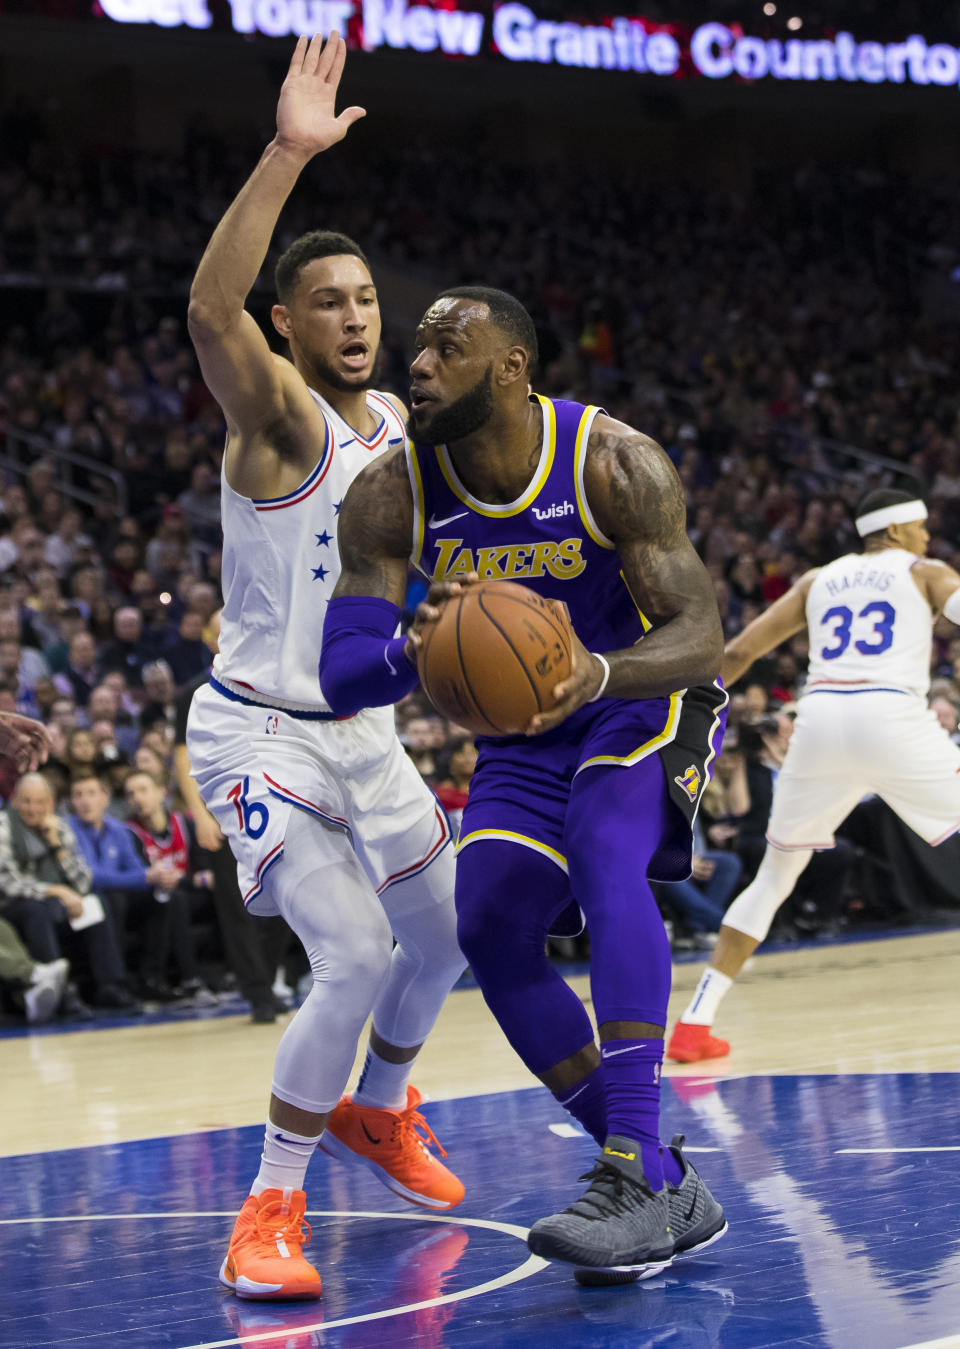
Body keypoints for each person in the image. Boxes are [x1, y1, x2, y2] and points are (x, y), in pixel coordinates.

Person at [320, 284, 728, 1283]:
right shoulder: (390, 492)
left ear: (511, 366)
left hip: (640, 695)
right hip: (523, 727)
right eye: (416, 347)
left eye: (446, 347)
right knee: (491, 920)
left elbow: (700, 632)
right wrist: (414, 647)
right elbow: (342, 676)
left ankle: (630, 1162)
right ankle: (666, 1176)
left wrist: (599, 671)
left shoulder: (610, 459)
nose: (416, 363)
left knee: (602, 845)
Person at [184, 34, 465, 1302]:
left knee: (452, 927)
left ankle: (382, 1106)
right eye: (329, 303)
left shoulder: (399, 421)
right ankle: (267, 1206)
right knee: (350, 955)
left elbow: (403, 553)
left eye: (366, 299)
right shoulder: (277, 414)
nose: (356, 316)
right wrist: (289, 153)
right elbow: (207, 308)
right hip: (261, 731)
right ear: (288, 325)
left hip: (362, 731)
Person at [668, 488, 960, 1063]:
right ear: (899, 530)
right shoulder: (925, 569)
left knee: (775, 878)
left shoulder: (816, 580)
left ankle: (694, 1024)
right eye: (922, 528)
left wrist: (678, 710)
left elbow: (742, 651)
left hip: (820, 720)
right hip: (890, 716)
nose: (928, 538)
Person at [173, 613, 289, 1024]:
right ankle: (257, 992)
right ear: (209, 640)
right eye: (219, 628)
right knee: (235, 906)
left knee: (285, 896)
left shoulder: (270, 680)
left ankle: (270, 978)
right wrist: (199, 815)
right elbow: (181, 754)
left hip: (274, 802)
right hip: (223, 809)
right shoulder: (195, 690)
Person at [0, 772, 134, 1015]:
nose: (33, 808)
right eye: (26, 801)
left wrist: (58, 847)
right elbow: (8, 882)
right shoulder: (4, 825)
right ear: (15, 801)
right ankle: (60, 995)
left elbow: (83, 883)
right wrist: (58, 891)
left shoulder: (59, 827)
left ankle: (110, 987)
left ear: (50, 804)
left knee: (96, 903)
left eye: (40, 802)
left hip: (56, 904)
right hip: (14, 906)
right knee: (36, 911)